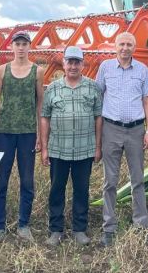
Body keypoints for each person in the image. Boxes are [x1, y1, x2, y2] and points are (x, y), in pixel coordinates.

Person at [95, 32, 148, 246]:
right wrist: (98, 134)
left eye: (129, 44)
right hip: (111, 128)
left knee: (137, 179)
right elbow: (98, 96)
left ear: (134, 47)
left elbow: (147, 101)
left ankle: (140, 225)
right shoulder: (105, 68)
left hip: (136, 130)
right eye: (121, 44)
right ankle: (109, 228)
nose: (125, 48)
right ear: (115, 46)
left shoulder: (142, 69)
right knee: (109, 181)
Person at [40, 46, 102, 246]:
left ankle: (79, 229)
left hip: (85, 148)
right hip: (59, 148)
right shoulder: (53, 88)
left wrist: (97, 146)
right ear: (64, 64)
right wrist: (45, 147)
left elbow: (98, 118)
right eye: (70, 62)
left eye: (77, 62)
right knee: (57, 189)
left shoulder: (93, 87)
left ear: (83, 64)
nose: (73, 66)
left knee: (81, 189)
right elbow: (45, 118)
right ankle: (56, 230)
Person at [0, 30, 44, 244]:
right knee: (1, 179)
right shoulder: (2, 71)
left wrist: (40, 134)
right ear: (12, 47)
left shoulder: (37, 72)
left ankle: (23, 225)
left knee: (27, 180)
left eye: (24, 44)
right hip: (4, 132)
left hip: (28, 133)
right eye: (17, 44)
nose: (21, 47)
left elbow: (40, 104)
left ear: (30, 47)